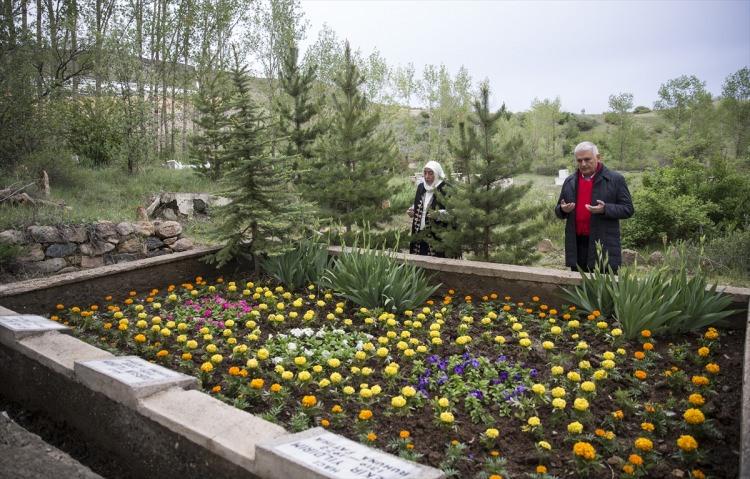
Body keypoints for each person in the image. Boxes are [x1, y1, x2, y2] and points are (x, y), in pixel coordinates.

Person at [554, 141, 634, 273]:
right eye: (579, 160)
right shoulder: (570, 181)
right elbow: (558, 210)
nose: (583, 164)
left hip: (603, 244)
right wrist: (563, 209)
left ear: (598, 157)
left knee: (604, 288)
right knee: (579, 288)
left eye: (587, 159)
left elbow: (628, 209)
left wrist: (605, 209)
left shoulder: (615, 179)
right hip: (577, 244)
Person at [408, 161, 450, 256]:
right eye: (425, 173)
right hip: (420, 232)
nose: (427, 176)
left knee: (437, 263)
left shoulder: (445, 188)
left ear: (437, 174)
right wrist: (413, 210)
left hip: (437, 236)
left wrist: (439, 214)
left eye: (431, 173)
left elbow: (454, 212)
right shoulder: (421, 187)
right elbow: (420, 202)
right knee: (419, 262)